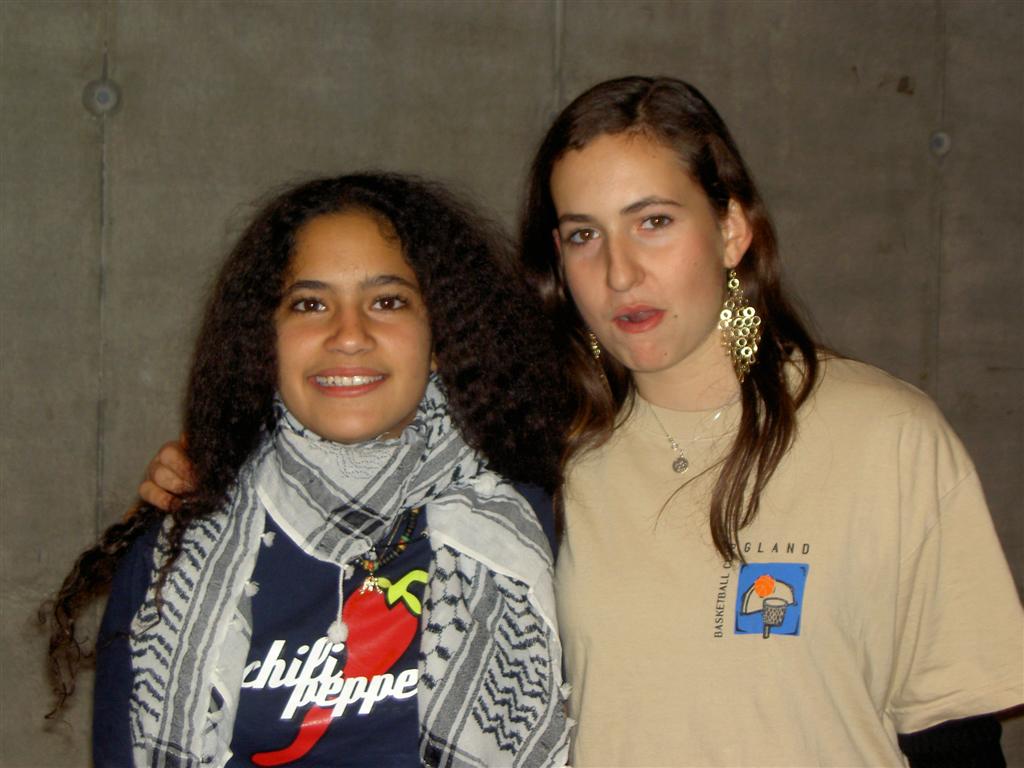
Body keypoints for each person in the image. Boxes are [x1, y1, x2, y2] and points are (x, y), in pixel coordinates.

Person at [141, 78, 1023, 767]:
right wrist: (210, 470)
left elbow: (955, 733)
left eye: (654, 222)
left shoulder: (884, 434)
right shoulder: (539, 451)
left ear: (731, 229)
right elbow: (352, 453)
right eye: (582, 236)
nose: (620, 272)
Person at [44, 173, 572, 767]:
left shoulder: (539, 524)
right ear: (265, 340)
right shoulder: (176, 546)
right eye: (310, 304)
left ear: (442, 337)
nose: (349, 335)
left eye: (388, 301)